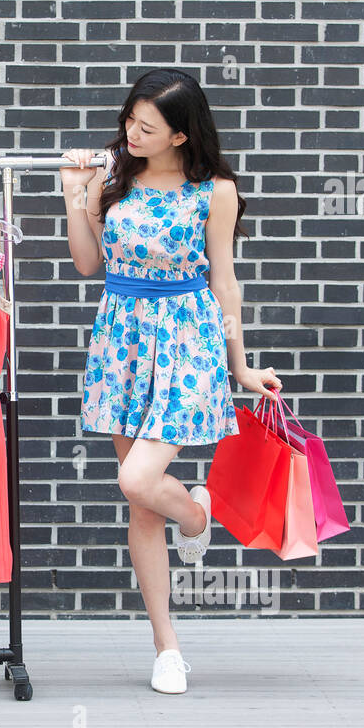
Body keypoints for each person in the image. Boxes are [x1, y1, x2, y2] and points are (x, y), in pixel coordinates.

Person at [61, 67, 283, 695]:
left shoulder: (215, 191)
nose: (131, 132)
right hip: (121, 342)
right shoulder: (112, 178)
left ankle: (197, 517)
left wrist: (240, 365)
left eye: (147, 126)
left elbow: (225, 281)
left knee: (139, 480)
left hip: (188, 340)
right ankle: (167, 647)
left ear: (181, 135)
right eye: (129, 118)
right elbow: (87, 262)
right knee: (139, 502)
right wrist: (76, 195)